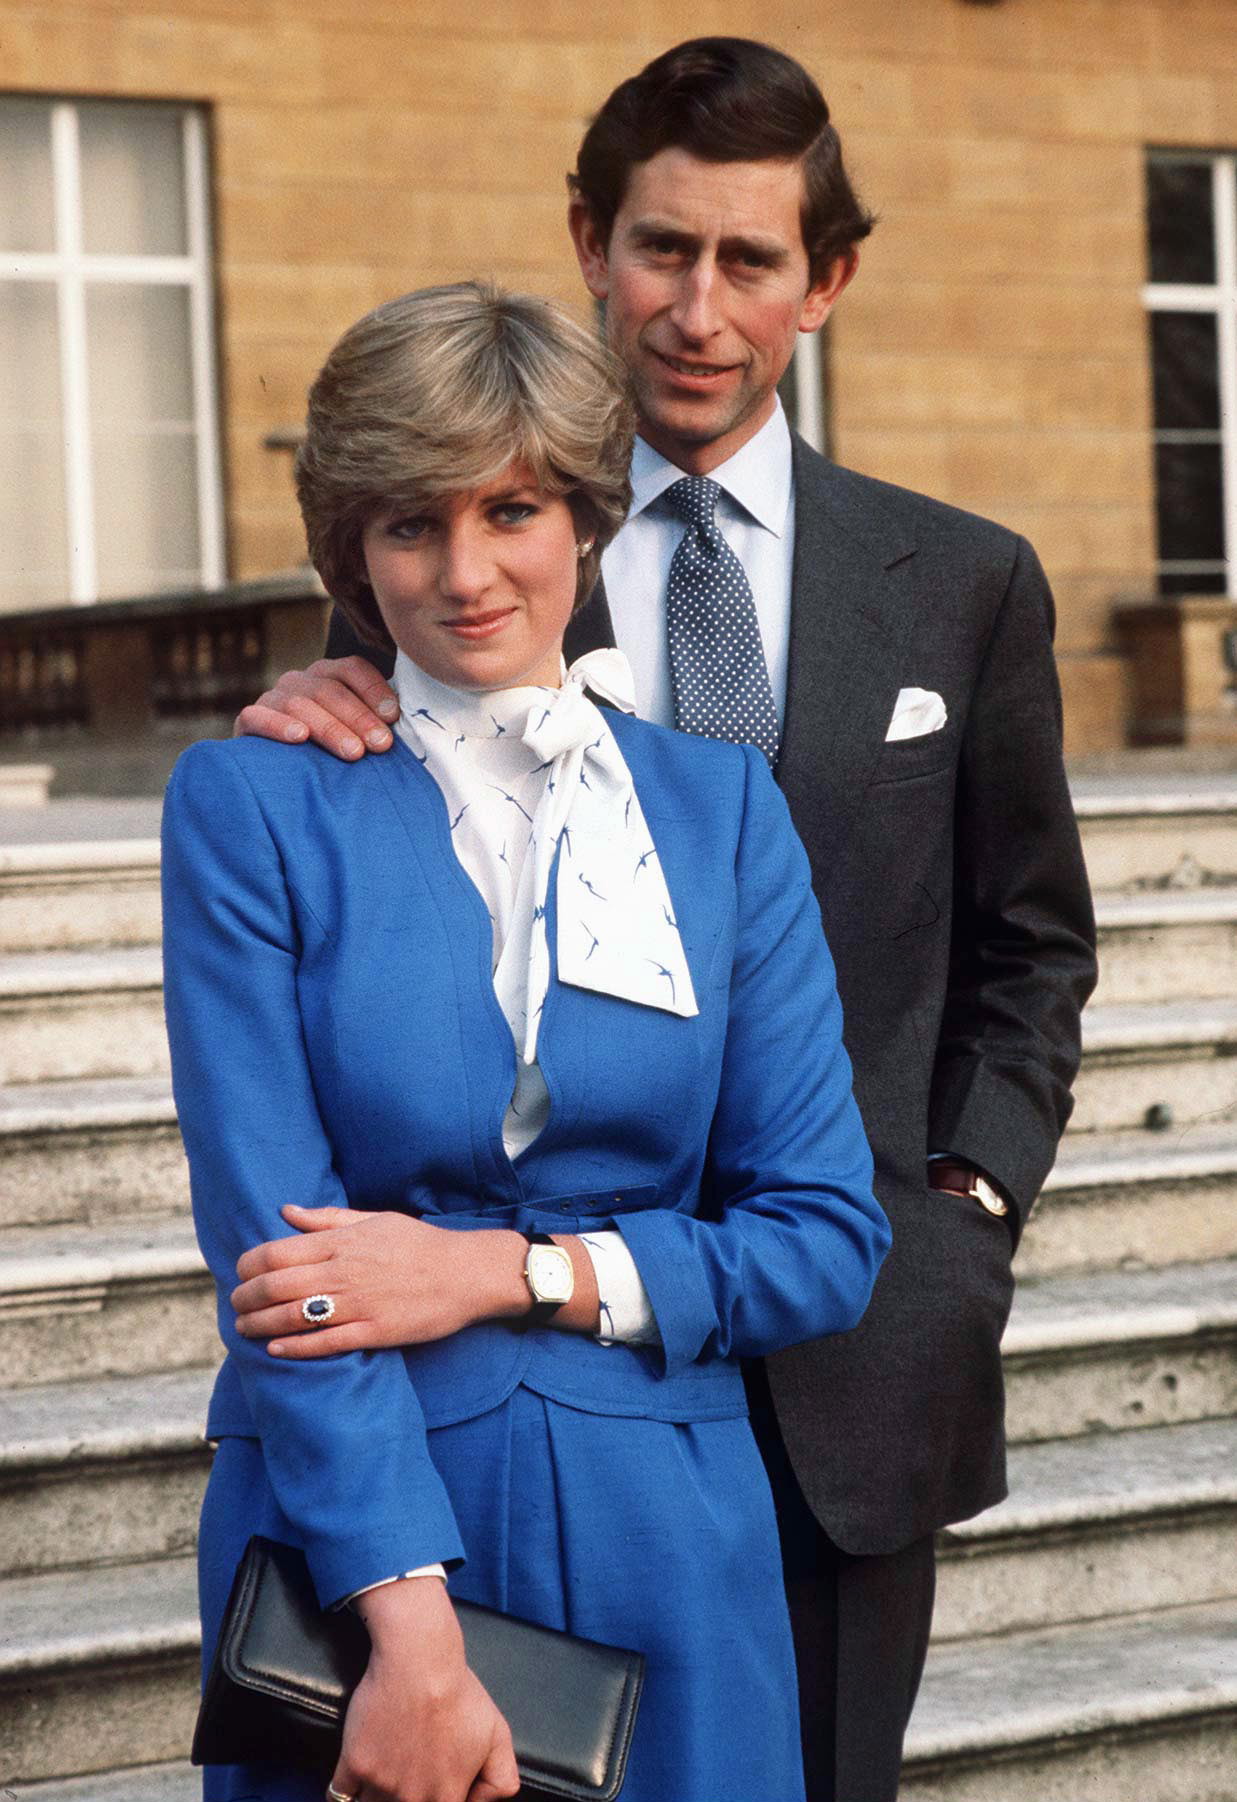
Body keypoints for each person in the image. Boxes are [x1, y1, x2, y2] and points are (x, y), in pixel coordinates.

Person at [233, 38, 1098, 1802]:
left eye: (749, 260)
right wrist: (306, 703)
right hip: (503, 1387)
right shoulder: (489, 527)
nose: (696, 307)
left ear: (823, 283)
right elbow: (397, 756)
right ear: (588, 243)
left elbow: (1032, 941)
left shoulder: (962, 579)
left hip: (844, 1344)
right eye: (658, 250)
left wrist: (961, 1211)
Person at [164, 280, 889, 1802]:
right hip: (361, 1533)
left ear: (582, 514)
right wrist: (412, 1644)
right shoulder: (252, 807)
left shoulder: (719, 808)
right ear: (351, 552)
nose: (467, 571)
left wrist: (498, 1270)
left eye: (509, 510)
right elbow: (282, 1267)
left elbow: (820, 1235)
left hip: (670, 1536)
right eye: (409, 524)